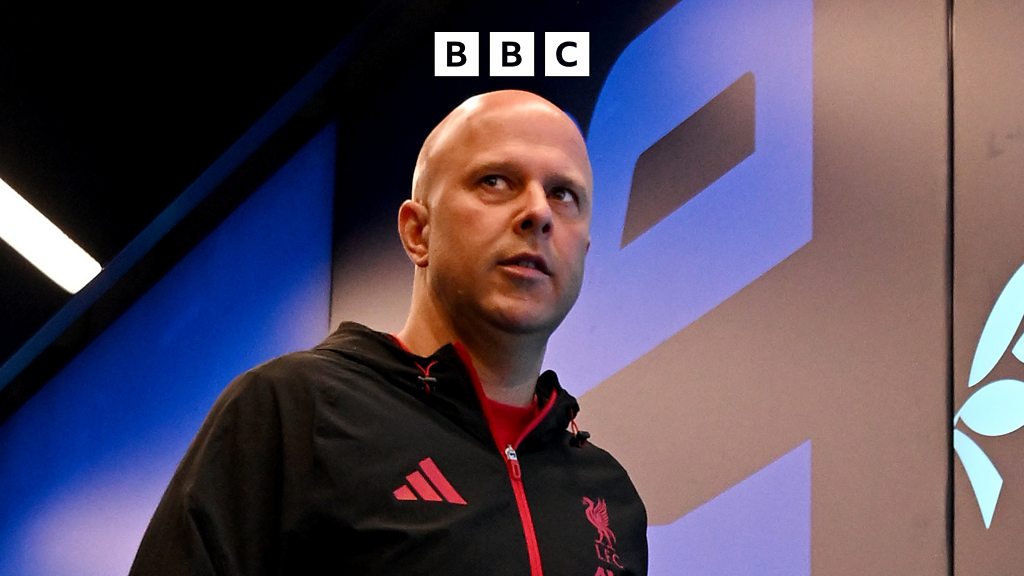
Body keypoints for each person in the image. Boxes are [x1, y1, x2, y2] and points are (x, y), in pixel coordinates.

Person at [129, 90, 648, 575]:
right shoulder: (291, 411)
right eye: (495, 181)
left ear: (583, 250)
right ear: (417, 232)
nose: (537, 212)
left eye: (563, 194)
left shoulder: (609, 496)